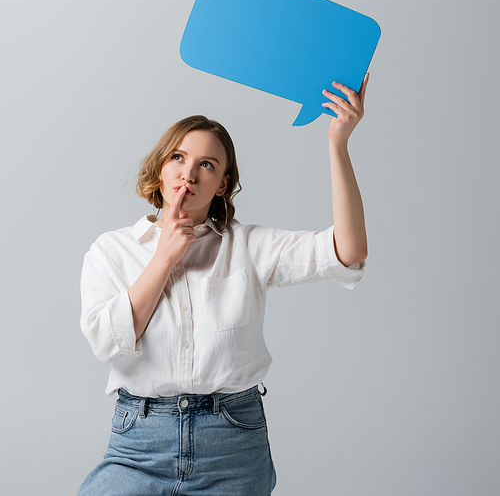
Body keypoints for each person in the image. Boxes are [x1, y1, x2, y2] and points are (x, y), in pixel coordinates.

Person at [78, 75, 369, 495]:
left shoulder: (247, 245)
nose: (189, 174)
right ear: (160, 166)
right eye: (178, 157)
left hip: (232, 442)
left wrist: (337, 144)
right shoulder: (111, 251)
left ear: (222, 184)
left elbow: (349, 251)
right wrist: (163, 257)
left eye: (207, 165)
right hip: (139, 443)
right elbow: (107, 343)